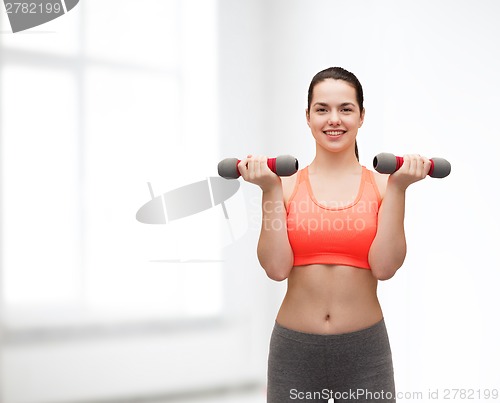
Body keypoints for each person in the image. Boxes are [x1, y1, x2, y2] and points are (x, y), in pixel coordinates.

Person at [237, 67, 431, 403]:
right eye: (322, 109)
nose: (333, 119)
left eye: (345, 109)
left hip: (364, 351)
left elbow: (384, 267)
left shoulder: (385, 185)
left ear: (361, 115)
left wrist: (400, 187)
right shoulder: (284, 185)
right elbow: (276, 268)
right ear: (308, 116)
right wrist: (268, 189)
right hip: (294, 351)